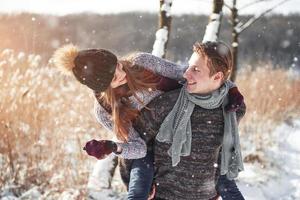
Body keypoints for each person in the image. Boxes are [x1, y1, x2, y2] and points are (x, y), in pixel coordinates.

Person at [52, 42, 245, 200]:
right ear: (101, 86)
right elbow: (138, 148)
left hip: (180, 122)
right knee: (138, 191)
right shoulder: (105, 110)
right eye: (113, 77)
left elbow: (190, 75)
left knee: (221, 174)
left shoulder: (142, 63)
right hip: (148, 144)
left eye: (118, 65)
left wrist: (231, 90)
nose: (122, 74)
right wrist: (113, 147)